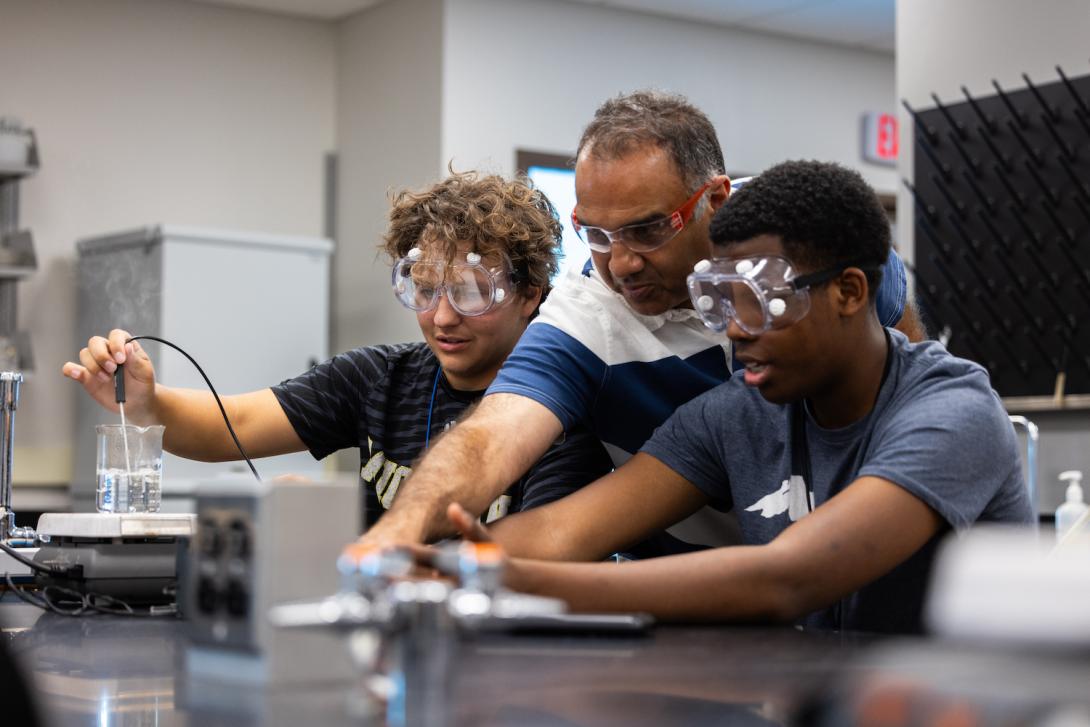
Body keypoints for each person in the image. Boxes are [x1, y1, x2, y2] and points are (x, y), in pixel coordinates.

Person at [443, 160, 1032, 634]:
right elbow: (561, 533)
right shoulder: (739, 413)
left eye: (760, 297)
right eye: (720, 297)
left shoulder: (953, 410)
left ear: (849, 292)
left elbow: (788, 580)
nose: (735, 327)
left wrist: (510, 580)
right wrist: (435, 565)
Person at [360, 90, 925, 554]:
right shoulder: (604, 332)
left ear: (716, 201)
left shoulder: (811, 237)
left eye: (649, 229)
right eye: (597, 235)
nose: (622, 263)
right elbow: (496, 444)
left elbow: (906, 372)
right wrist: (398, 539)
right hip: (712, 604)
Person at [62, 171, 613, 527]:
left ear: (530, 294)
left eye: (470, 293)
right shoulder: (377, 378)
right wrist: (148, 405)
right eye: (424, 289)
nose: (442, 317)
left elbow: (528, 561)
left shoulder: (559, 412)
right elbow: (235, 424)